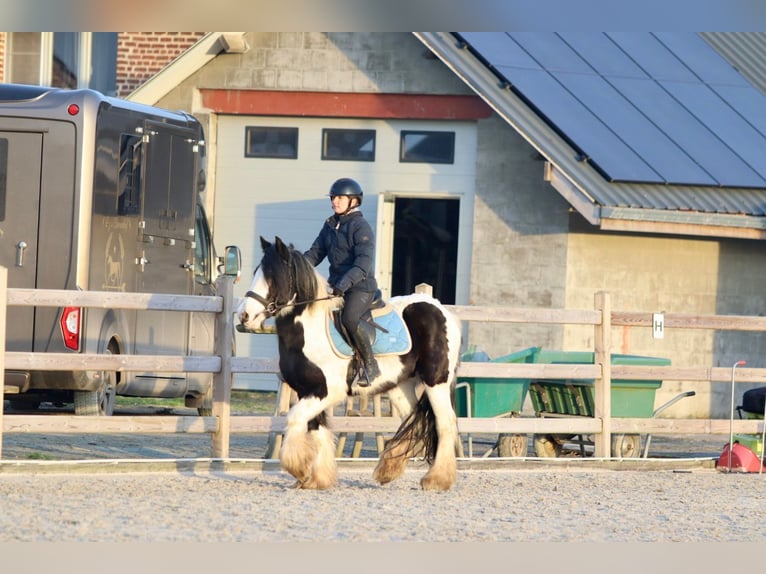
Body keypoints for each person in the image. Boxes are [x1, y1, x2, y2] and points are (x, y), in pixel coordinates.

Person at [303, 177, 381, 386]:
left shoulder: (361, 227)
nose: (334, 201)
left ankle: (371, 365)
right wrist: (297, 266)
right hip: (336, 286)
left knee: (349, 319)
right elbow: (315, 253)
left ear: (353, 201)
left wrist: (342, 285)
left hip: (360, 288)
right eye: (333, 198)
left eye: (339, 198)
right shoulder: (330, 225)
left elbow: (363, 264)